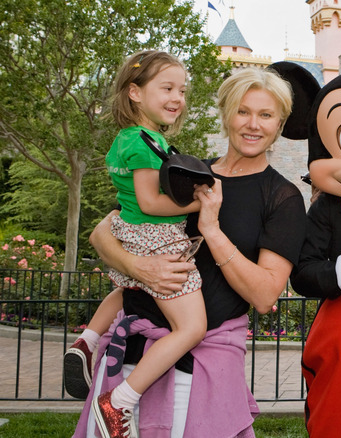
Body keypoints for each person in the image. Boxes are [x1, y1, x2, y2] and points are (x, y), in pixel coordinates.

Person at [73, 66, 306, 438]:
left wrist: (212, 230)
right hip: (130, 353)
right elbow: (106, 229)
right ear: (226, 113)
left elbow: (264, 296)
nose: (253, 125)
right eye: (243, 111)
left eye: (266, 115)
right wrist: (137, 266)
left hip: (197, 369)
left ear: (279, 123)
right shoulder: (188, 172)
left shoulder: (282, 198)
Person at [62, 50, 211, 438]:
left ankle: (87, 341)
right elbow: (149, 202)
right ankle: (119, 403)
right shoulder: (144, 143)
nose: (177, 97)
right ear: (135, 92)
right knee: (192, 327)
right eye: (166, 88)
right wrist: (201, 202)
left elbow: (132, 201)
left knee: (128, 286)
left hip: (130, 230)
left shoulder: (129, 138)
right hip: (156, 238)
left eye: (181, 89)